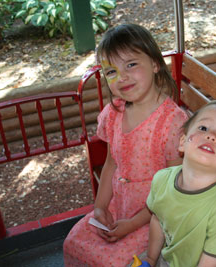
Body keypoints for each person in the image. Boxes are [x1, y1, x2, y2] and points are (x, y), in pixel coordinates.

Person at [63, 24, 188, 266]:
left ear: (154, 63)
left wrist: (132, 224)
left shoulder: (173, 123)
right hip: (117, 205)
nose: (122, 77)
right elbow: (112, 163)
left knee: (114, 262)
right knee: (73, 242)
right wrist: (99, 208)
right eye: (111, 72)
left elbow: (173, 191)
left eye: (131, 64)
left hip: (154, 217)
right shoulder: (113, 113)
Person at [143, 100, 216, 267]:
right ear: (183, 142)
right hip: (170, 259)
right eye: (203, 128)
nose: (211, 135)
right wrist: (149, 259)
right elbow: (158, 219)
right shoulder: (162, 180)